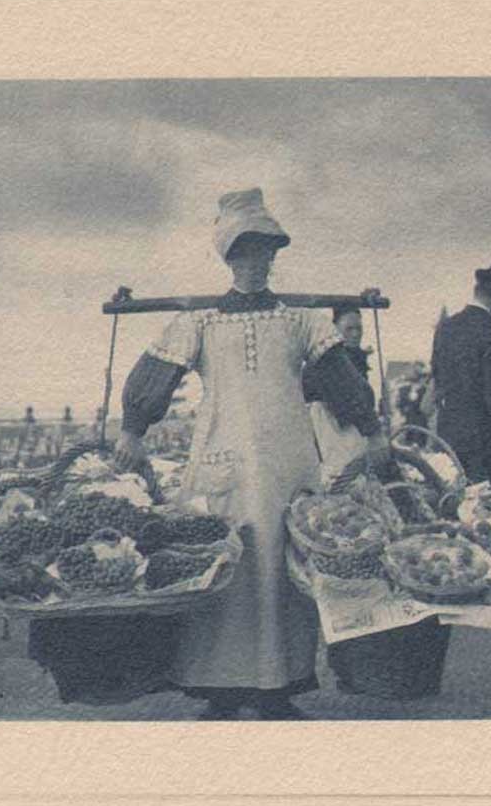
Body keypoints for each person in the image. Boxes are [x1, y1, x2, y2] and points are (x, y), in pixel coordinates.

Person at [113, 188, 388, 720]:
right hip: (224, 463)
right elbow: (156, 374)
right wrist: (132, 430)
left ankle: (277, 689)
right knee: (225, 569)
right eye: (246, 252)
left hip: (287, 467)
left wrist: (374, 431)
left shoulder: (302, 321)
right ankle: (220, 691)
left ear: (275, 256)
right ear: (229, 257)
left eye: (266, 251)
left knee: (281, 572)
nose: (258, 262)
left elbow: (341, 379)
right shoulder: (201, 322)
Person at [430, 265, 491, 489]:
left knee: (454, 499)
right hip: (484, 438)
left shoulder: (445, 327)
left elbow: (437, 377)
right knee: (486, 507)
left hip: (449, 433)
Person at [302, 306, 378, 486]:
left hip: (347, 431)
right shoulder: (328, 362)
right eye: (349, 329)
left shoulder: (356, 359)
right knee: (341, 478)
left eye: (359, 329)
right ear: (334, 329)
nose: (355, 334)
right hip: (331, 430)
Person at [395, 362, 431, 443]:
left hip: (422, 425)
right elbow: (399, 406)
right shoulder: (404, 389)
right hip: (407, 424)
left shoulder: (426, 390)